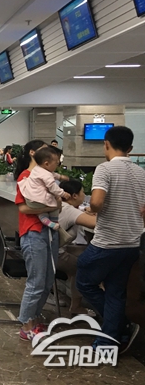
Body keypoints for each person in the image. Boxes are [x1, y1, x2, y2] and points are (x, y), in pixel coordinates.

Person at [76, 125, 145, 353]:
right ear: (130, 149)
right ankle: (109, 339)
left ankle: (118, 324)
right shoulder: (141, 173)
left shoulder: (104, 169)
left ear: (106, 144)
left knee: (84, 281)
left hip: (107, 242)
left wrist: (93, 208)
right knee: (116, 292)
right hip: (132, 243)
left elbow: (96, 202)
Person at [14, 139, 60, 341]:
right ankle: (26, 324)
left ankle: (34, 316)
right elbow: (24, 208)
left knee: (48, 279)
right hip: (33, 232)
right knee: (37, 281)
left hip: (49, 232)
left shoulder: (47, 175)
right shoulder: (27, 176)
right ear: (33, 153)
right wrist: (52, 206)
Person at [56, 180, 97, 316]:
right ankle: (76, 306)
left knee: (85, 252)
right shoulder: (70, 211)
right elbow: (95, 223)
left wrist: (85, 211)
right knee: (83, 267)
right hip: (56, 255)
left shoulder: (61, 205)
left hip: (49, 250)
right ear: (74, 196)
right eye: (82, 192)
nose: (84, 195)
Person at [18, 147, 71, 230]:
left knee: (41, 211)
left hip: (31, 200)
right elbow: (53, 187)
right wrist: (63, 194)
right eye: (56, 163)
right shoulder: (46, 175)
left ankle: (47, 221)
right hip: (39, 201)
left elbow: (51, 174)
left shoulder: (37, 169)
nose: (57, 165)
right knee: (55, 201)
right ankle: (54, 221)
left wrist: (60, 177)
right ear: (46, 164)